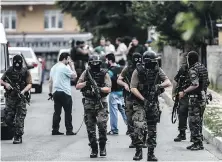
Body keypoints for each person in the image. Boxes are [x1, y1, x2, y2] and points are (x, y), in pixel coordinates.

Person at [130, 51, 171, 161]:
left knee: (152, 129)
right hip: (139, 103)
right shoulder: (138, 70)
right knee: (139, 126)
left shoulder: (157, 69)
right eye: (152, 61)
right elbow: (133, 88)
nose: (154, 63)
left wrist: (158, 86)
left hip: (153, 103)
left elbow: (168, 82)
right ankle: (138, 152)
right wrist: (143, 99)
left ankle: (151, 153)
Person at [76, 55, 111, 158]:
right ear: (90, 63)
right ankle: (94, 149)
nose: (95, 65)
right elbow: (77, 86)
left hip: (101, 102)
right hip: (89, 103)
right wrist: (87, 83)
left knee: (102, 124)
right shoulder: (86, 72)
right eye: (93, 63)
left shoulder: (104, 73)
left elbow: (108, 89)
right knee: (90, 128)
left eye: (97, 63)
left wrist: (98, 89)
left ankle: (102, 147)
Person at [178, 51, 209, 150]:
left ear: (190, 59)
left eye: (187, 58)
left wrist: (184, 92)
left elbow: (195, 84)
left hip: (195, 98)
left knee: (193, 121)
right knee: (199, 120)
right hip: (202, 97)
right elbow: (207, 82)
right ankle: (198, 141)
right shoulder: (202, 67)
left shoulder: (193, 70)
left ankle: (197, 143)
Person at [1, 55, 32, 144]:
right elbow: (1, 80)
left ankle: (18, 136)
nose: (17, 64)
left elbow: (29, 84)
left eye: (19, 62)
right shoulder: (9, 71)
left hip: (21, 98)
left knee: (20, 118)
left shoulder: (25, 72)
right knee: (7, 119)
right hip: (10, 98)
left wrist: (23, 91)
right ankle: (16, 131)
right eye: (16, 62)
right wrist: (6, 84)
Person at [117, 52, 144, 148]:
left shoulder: (144, 68)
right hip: (129, 97)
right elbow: (119, 79)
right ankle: (134, 140)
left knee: (141, 119)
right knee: (130, 119)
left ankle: (142, 139)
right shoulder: (127, 69)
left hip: (141, 97)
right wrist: (125, 84)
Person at [49, 52, 77, 136]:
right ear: (64, 59)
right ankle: (69, 130)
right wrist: (72, 66)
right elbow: (74, 76)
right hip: (65, 92)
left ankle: (55, 129)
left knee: (57, 112)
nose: (69, 61)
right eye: (68, 59)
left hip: (55, 92)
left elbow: (50, 81)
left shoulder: (53, 67)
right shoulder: (64, 68)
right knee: (68, 112)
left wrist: (50, 93)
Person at [105, 53, 127, 135]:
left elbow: (107, 82)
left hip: (113, 93)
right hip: (122, 92)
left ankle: (114, 130)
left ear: (110, 60)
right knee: (123, 110)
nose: (106, 61)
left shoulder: (109, 71)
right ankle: (131, 128)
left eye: (106, 60)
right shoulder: (121, 68)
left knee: (113, 112)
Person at [172, 53, 190, 142]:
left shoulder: (198, 68)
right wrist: (174, 93)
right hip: (184, 95)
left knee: (194, 115)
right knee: (182, 113)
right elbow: (176, 80)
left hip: (191, 94)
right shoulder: (183, 68)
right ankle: (182, 133)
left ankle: (195, 135)